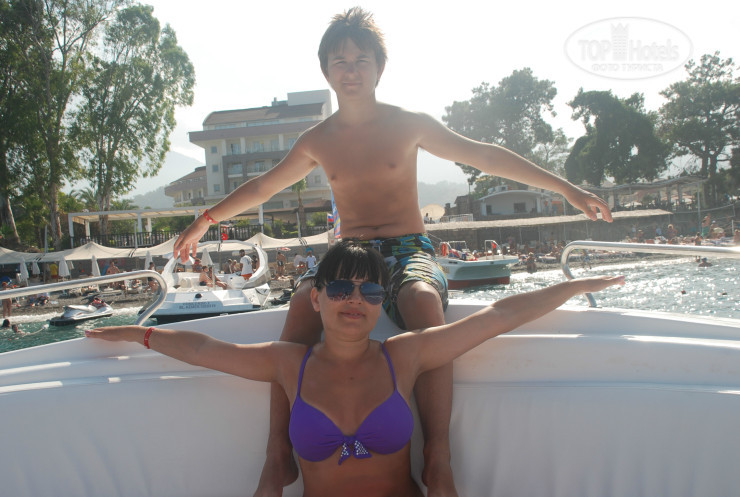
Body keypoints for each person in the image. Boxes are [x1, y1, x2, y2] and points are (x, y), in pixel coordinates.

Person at [172, 8, 612, 496]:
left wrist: (567, 188)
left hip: (408, 246)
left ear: (380, 68)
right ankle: (278, 452)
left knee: (421, 300)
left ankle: (438, 456)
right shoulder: (317, 140)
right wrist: (205, 219)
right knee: (301, 303)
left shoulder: (408, 125)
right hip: (350, 250)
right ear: (326, 72)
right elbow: (262, 187)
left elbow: (484, 154)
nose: (351, 70)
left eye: (362, 60)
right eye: (340, 61)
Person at [87, 241, 624, 496]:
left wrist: (574, 285)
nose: (354, 300)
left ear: (378, 304)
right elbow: (204, 349)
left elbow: (498, 317)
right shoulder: (288, 362)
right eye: (341, 287)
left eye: (369, 292)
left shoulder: (404, 356)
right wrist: (137, 333)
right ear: (316, 298)